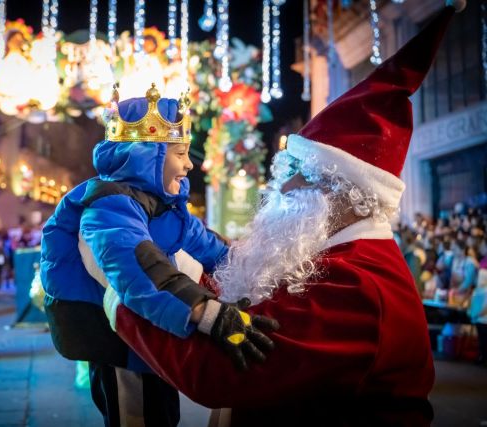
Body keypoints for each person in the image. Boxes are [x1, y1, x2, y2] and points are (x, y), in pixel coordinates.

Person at [104, 5, 460, 425]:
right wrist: (181, 271)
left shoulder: (358, 284)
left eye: (299, 173)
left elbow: (216, 371)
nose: (282, 187)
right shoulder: (324, 255)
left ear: (344, 191)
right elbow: (245, 309)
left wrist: (118, 302)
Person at [41, 85, 275, 426]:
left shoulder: (165, 208)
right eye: (180, 153)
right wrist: (207, 313)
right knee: (138, 416)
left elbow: (215, 249)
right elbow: (137, 265)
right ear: (146, 155)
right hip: (118, 343)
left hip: (149, 332)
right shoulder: (109, 205)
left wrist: (264, 269)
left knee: (163, 412)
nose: (189, 164)